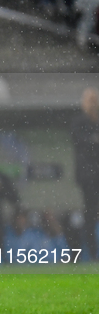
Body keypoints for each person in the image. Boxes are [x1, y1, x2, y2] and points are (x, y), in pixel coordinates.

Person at [71, 87, 99, 260]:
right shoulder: (79, 122)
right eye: (89, 100)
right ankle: (93, 253)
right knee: (90, 213)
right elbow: (80, 142)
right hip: (89, 176)